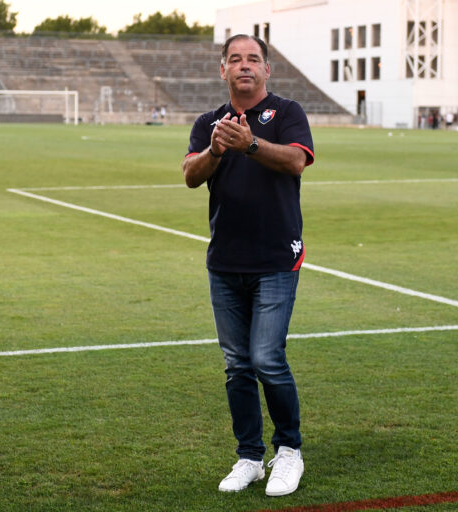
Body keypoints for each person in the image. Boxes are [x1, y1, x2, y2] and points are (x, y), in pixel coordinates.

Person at [182, 34, 314, 497]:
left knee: (267, 359)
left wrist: (251, 144)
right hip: (225, 261)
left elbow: (297, 162)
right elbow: (189, 177)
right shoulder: (208, 123)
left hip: (277, 257)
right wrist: (217, 149)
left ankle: (290, 451)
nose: (244, 66)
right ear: (222, 70)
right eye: (234, 59)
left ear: (266, 70)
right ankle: (249, 457)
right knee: (237, 365)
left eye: (252, 59)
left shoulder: (288, 112)